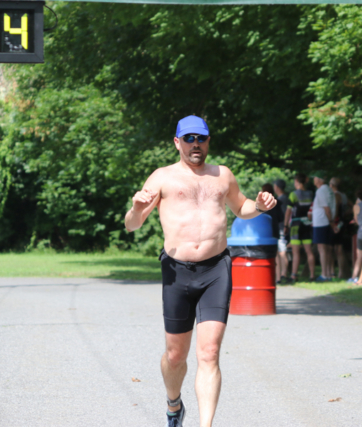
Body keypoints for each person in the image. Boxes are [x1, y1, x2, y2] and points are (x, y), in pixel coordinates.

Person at [124, 115, 277, 427]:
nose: (196, 144)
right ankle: (173, 404)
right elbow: (132, 224)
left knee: (208, 353)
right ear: (177, 142)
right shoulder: (162, 177)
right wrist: (138, 208)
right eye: (190, 138)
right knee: (175, 355)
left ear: (208, 141)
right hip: (177, 272)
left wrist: (259, 205)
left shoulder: (222, 175)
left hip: (216, 269)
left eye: (202, 138)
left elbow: (241, 207)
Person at [284, 173, 315, 282]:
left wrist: (285, 225)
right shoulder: (310, 194)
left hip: (296, 225)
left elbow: (288, 212)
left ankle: (294, 275)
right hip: (307, 224)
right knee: (309, 251)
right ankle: (312, 275)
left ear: (297, 181)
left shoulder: (293, 194)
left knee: (295, 252)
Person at [311, 171, 337, 282]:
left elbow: (326, 208)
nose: (314, 180)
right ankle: (328, 273)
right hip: (324, 222)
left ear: (319, 180)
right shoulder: (328, 189)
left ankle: (324, 274)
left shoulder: (321, 191)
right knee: (325, 249)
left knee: (322, 249)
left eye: (315, 178)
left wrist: (331, 222)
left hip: (321, 222)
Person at [330, 177, 351, 278]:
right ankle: (340, 272)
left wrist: (333, 221)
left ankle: (334, 272)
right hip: (342, 223)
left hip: (336, 223)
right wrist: (345, 215)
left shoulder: (335, 195)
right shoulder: (344, 195)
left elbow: (336, 210)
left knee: (334, 248)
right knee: (339, 248)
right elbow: (353, 206)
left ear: (332, 185)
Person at [273, 179, 290, 283]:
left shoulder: (281, 200)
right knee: (282, 251)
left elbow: (283, 215)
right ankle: (283, 273)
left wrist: (284, 226)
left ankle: (283, 274)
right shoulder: (285, 198)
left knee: (282, 251)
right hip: (283, 227)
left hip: (281, 228)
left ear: (277, 187)